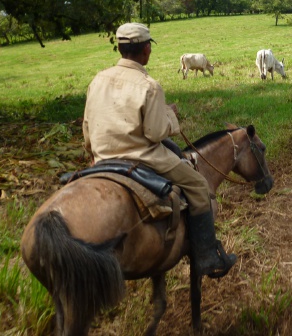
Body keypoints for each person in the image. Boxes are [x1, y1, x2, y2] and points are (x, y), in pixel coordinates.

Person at [82, 22, 236, 279]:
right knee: (199, 187)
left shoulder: (97, 80)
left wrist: (95, 152)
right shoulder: (149, 86)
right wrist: (169, 115)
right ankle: (207, 255)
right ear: (146, 50)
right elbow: (155, 133)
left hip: (102, 157)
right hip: (143, 157)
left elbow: (87, 130)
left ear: (120, 49)